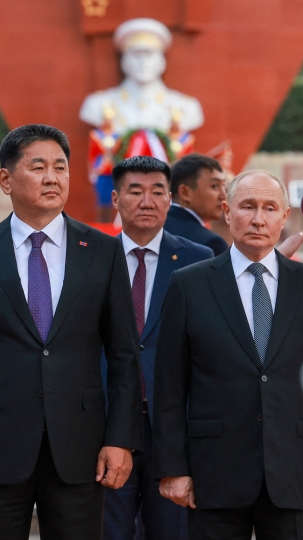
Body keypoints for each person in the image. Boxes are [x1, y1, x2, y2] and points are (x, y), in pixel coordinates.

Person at [0, 124, 143, 539]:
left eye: (60, 167)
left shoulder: (103, 251)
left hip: (80, 450)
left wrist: (121, 439)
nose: (52, 178)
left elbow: (124, 354)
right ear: (6, 179)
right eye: (38, 167)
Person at [153, 170, 303, 540]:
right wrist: (174, 468)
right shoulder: (190, 284)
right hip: (213, 472)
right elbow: (170, 386)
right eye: (247, 206)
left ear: (284, 217)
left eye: (269, 208)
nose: (258, 219)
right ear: (227, 211)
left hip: (294, 472)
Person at [104, 155, 213, 540]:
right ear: (116, 199)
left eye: (157, 192)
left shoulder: (198, 260)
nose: (147, 201)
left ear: (170, 199)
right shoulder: (92, 258)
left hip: (173, 430)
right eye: (135, 191)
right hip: (107, 427)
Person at [80, 18, 204, 162]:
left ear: (162, 62)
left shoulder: (186, 106)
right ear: (123, 62)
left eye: (150, 55)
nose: (143, 62)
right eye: (136, 55)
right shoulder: (97, 103)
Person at [165, 154, 229, 256]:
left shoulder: (151, 228)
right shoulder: (211, 243)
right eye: (214, 186)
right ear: (185, 192)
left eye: (223, 186)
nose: (223, 196)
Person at [89, 104, 122, 223]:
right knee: (102, 200)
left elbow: (120, 154)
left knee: (115, 199)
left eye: (110, 119)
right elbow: (92, 154)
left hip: (113, 171)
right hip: (101, 170)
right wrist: (92, 171)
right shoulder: (95, 135)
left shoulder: (118, 136)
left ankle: (112, 226)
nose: (107, 121)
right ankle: (101, 225)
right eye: (106, 119)